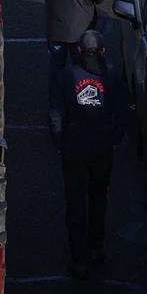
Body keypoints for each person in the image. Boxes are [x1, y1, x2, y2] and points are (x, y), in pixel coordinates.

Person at [48, 26, 127, 278]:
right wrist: (114, 139)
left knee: (75, 203)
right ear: (102, 51)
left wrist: (60, 142)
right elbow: (122, 113)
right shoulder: (112, 77)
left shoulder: (66, 75)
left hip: (73, 147)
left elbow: (55, 114)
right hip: (102, 147)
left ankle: (78, 256)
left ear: (79, 50)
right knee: (98, 199)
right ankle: (96, 248)